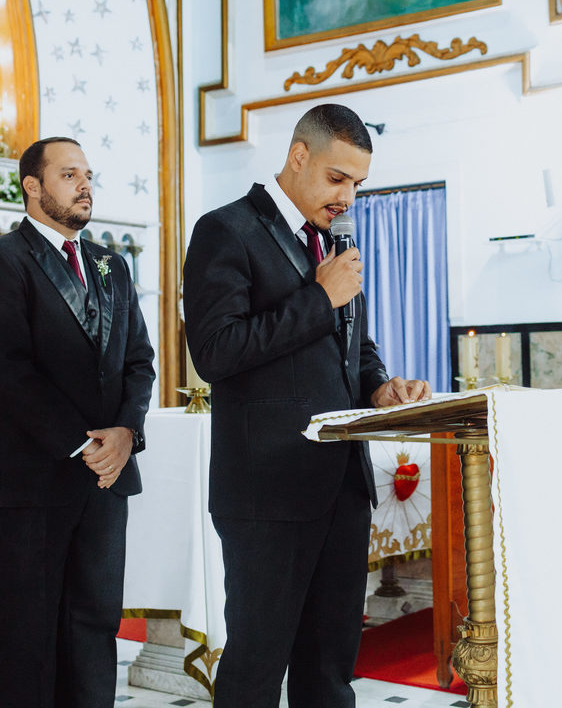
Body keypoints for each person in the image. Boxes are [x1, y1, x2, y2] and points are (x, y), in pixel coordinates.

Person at [182, 103, 432, 708]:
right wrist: (320, 298)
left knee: (330, 668)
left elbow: (352, 346)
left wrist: (379, 385)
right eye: (337, 178)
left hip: (340, 483)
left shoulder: (331, 241)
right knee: (257, 670)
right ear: (299, 156)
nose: (348, 196)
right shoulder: (226, 230)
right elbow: (215, 352)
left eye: (358, 184)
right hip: (268, 490)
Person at [0, 137, 155, 707]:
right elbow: (7, 370)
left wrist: (126, 433)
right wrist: (82, 443)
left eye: (88, 174)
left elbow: (139, 362)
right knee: (31, 634)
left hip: (106, 476)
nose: (85, 185)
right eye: (70, 175)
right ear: (33, 186)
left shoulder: (111, 264)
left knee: (96, 623)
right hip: (32, 477)